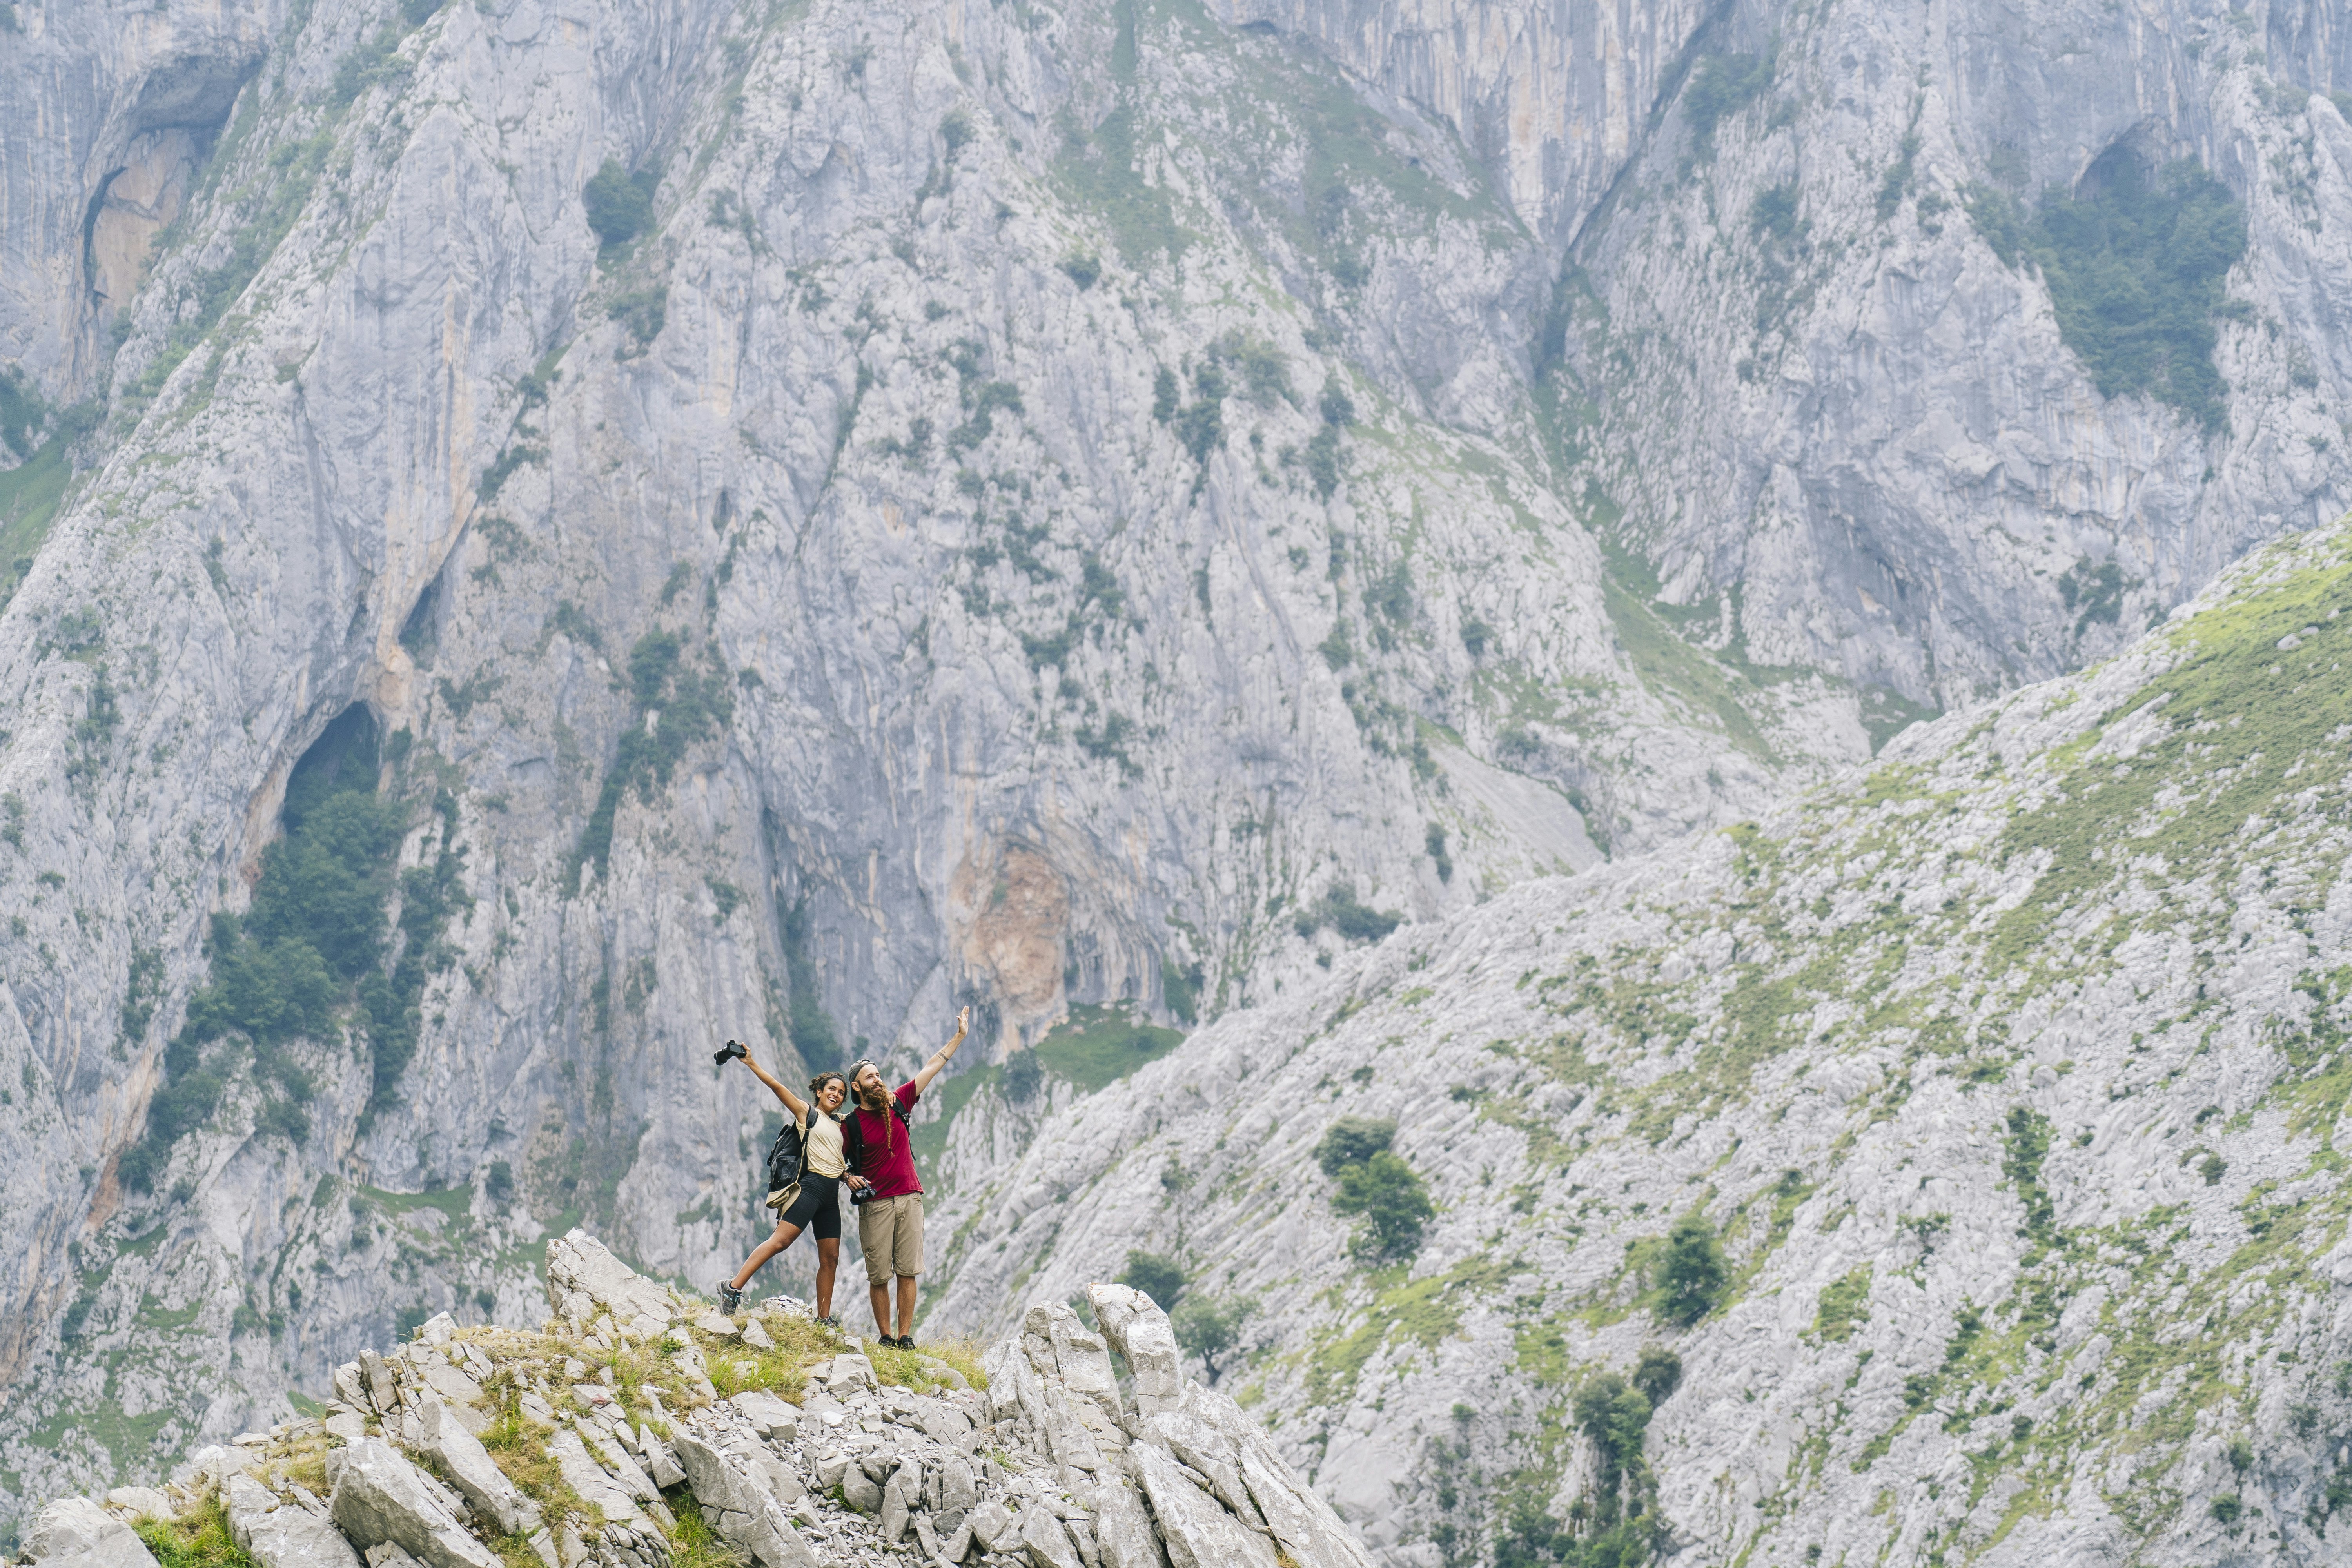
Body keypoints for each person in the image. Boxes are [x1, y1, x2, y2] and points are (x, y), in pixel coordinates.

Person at [840, 1006, 968, 1348]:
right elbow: (833, 1158)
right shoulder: (851, 1123)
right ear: (857, 1086)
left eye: (879, 1074)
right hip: (876, 1204)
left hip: (910, 1197)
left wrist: (958, 1037)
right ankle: (885, 1337)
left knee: (908, 1271)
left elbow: (933, 1066)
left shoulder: (899, 1101)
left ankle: (905, 1336)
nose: (878, 1080)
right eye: (871, 1077)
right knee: (879, 1274)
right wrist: (847, 1176)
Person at [715, 1056, 851, 1326]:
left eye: (842, 1093)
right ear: (820, 1092)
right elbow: (776, 1086)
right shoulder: (807, 1113)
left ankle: (824, 1319)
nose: (837, 1094)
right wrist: (750, 1062)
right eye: (832, 1089)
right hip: (810, 1188)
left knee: (831, 1258)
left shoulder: (841, 1123)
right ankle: (732, 1287)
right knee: (781, 1241)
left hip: (831, 1196)